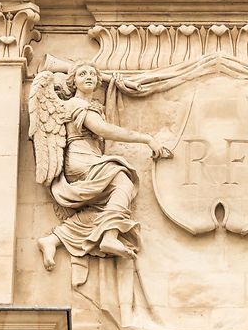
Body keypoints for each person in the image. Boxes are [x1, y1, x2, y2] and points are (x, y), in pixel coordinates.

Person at [34, 62, 172, 270]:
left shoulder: (92, 106)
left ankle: (53, 240)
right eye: (82, 74)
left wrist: (114, 81)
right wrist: (146, 139)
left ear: (99, 81)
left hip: (89, 157)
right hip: (81, 159)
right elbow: (103, 129)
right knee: (123, 182)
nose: (88, 76)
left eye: (92, 74)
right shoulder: (75, 104)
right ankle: (109, 236)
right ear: (73, 82)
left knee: (104, 207)